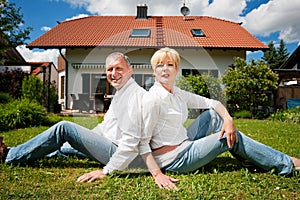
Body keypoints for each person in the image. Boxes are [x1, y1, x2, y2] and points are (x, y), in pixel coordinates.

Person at [140, 47, 300, 190]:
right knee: (230, 138)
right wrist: (157, 174)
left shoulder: (177, 92)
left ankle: (248, 158)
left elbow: (213, 103)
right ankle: (287, 163)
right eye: (159, 65)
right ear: (154, 72)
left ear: (176, 69)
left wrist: (228, 120)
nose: (165, 69)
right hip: (175, 158)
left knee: (214, 116)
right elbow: (141, 141)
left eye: (170, 64)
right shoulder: (153, 99)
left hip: (184, 140)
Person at [0, 52, 147, 182]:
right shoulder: (121, 93)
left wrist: (107, 170)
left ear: (130, 70)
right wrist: (86, 139)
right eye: (110, 69)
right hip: (108, 144)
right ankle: (22, 152)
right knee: (63, 147)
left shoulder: (135, 96)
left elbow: (132, 143)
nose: (113, 73)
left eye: (118, 68)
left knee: (64, 128)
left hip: (122, 155)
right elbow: (105, 126)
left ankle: (9, 155)